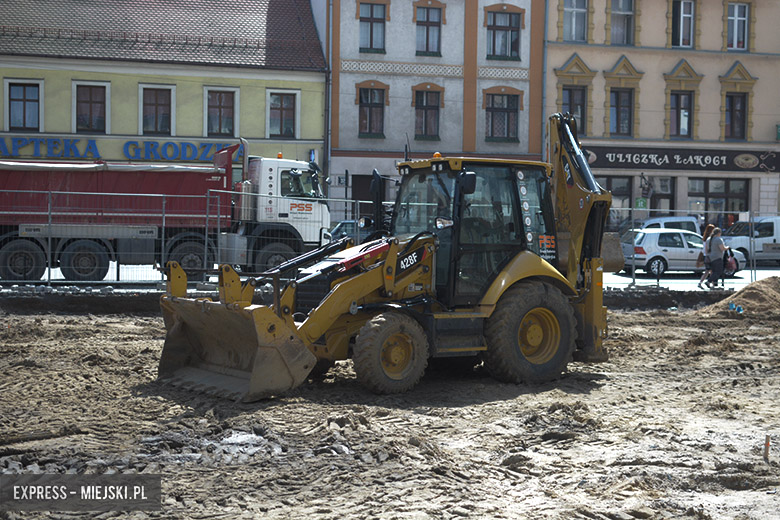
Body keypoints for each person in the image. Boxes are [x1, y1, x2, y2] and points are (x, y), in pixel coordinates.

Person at [698, 223, 715, 289]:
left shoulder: (705, 238)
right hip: (709, 256)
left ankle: (711, 283)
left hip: (706, 256)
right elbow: (707, 248)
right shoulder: (709, 239)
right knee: (709, 271)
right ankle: (708, 283)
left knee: (710, 271)